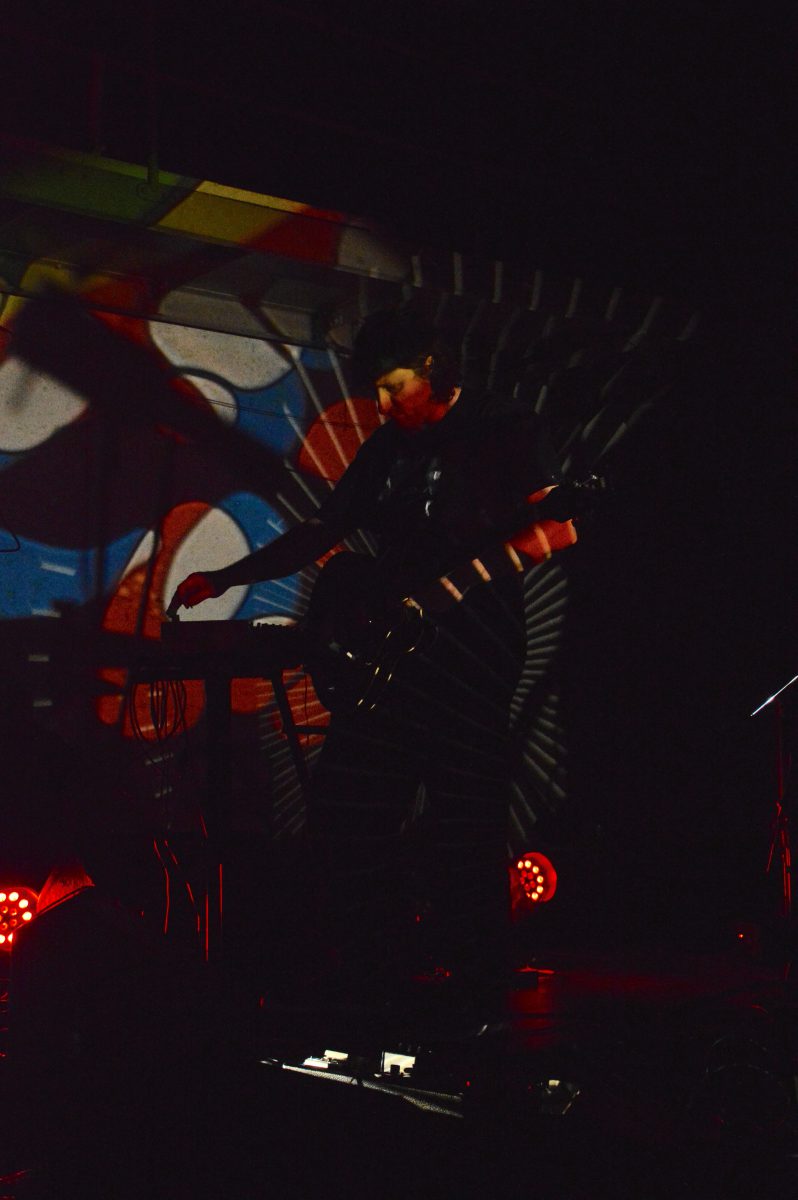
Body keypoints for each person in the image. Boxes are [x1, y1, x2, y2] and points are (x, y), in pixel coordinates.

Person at [168, 306, 578, 1019]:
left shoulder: (502, 426)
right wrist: (230, 577)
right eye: (377, 393)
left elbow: (557, 528)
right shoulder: (390, 447)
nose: (384, 407)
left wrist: (454, 587)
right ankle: (369, 973)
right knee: (350, 807)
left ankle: (477, 988)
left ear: (433, 370)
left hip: (472, 655)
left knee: (464, 816)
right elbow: (326, 526)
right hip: (395, 654)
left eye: (394, 388)